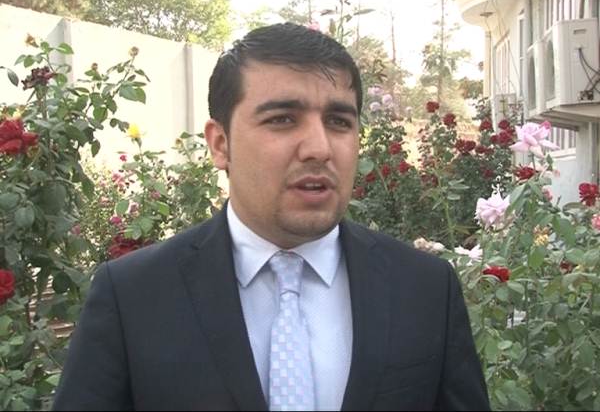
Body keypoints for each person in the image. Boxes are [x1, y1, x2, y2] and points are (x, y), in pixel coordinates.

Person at [53, 23, 490, 411]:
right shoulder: (133, 296)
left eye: (339, 121)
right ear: (220, 143)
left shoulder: (425, 289)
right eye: (282, 119)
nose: (319, 148)